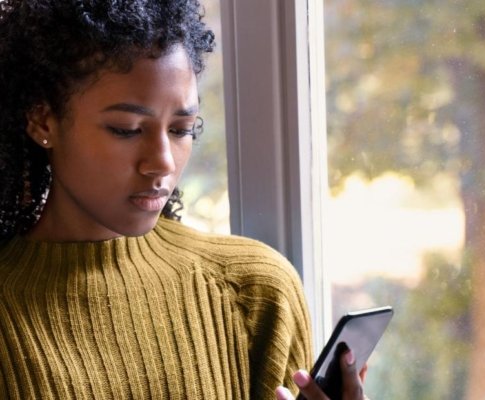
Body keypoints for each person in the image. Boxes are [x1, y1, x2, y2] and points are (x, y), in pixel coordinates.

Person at [0, 0, 366, 398]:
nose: (161, 162)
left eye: (181, 129)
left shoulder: (254, 292)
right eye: (127, 129)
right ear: (42, 121)